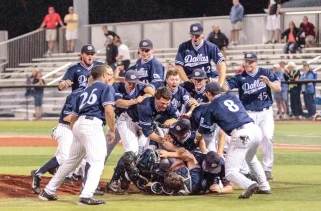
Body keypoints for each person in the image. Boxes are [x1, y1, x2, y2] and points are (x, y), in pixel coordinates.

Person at [39, 65, 116, 205]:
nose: (110, 77)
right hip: (92, 124)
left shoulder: (84, 91)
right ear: (104, 75)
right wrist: (112, 130)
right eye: (109, 75)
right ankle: (86, 195)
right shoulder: (106, 88)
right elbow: (109, 110)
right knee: (97, 160)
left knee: (71, 161)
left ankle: (48, 191)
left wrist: (77, 130)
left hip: (79, 124)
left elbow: (73, 116)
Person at [199, 82, 271, 199]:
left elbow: (205, 130)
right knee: (251, 158)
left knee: (230, 172)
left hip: (241, 133)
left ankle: (250, 184)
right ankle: (264, 186)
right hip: (255, 129)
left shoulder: (211, 107)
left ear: (207, 93)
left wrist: (199, 137)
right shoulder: (232, 97)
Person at [223, 52, 281, 181]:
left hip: (265, 111)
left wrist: (269, 83)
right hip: (248, 113)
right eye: (246, 61)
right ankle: (249, 171)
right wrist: (220, 77)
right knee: (247, 141)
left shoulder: (266, 72)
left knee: (267, 136)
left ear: (256, 62)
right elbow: (224, 86)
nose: (248, 64)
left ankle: (267, 169)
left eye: (251, 61)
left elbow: (278, 88)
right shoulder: (240, 77)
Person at [31, 87, 85, 194]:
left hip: (75, 130)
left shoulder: (94, 94)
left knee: (80, 156)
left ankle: (62, 173)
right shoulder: (77, 94)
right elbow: (66, 117)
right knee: (64, 156)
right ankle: (38, 173)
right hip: (66, 129)